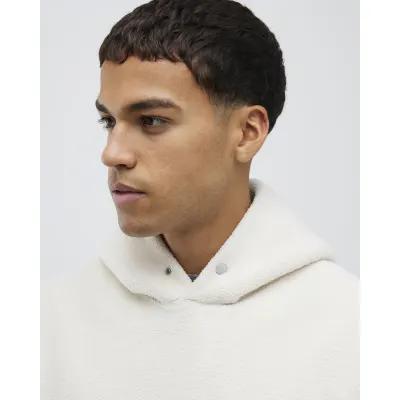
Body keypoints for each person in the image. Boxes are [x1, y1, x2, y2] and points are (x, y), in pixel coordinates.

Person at [41, 0, 359, 398]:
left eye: (151, 121)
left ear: (247, 132)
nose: (112, 153)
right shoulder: (45, 326)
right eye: (109, 121)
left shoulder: (356, 328)